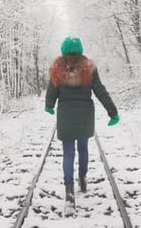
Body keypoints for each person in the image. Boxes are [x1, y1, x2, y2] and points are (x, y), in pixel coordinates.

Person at [44, 36, 119, 215]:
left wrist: (49, 106)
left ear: (63, 51)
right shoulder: (89, 68)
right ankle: (82, 178)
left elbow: (51, 90)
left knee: (68, 153)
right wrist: (112, 111)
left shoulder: (56, 69)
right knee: (83, 148)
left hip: (65, 116)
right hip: (85, 115)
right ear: (80, 50)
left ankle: (69, 192)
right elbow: (100, 90)